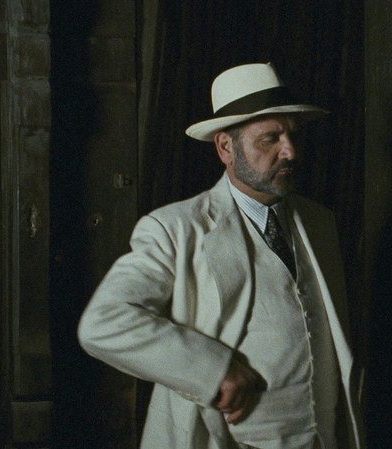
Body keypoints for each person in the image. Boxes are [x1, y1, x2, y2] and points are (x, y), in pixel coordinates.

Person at [78, 62, 365, 449]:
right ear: (226, 148)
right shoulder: (174, 229)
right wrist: (213, 370)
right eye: (270, 139)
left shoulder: (320, 223)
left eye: (293, 135)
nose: (290, 151)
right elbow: (104, 322)